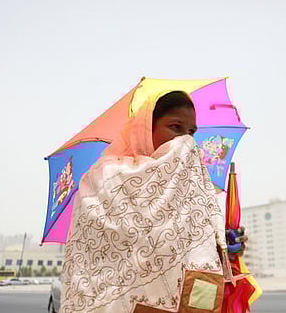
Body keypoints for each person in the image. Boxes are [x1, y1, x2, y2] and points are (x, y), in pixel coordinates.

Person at [61, 90, 247, 313]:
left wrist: (224, 248)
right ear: (146, 129)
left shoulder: (190, 185)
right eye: (175, 127)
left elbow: (193, 255)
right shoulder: (102, 178)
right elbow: (100, 256)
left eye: (191, 132)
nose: (185, 140)